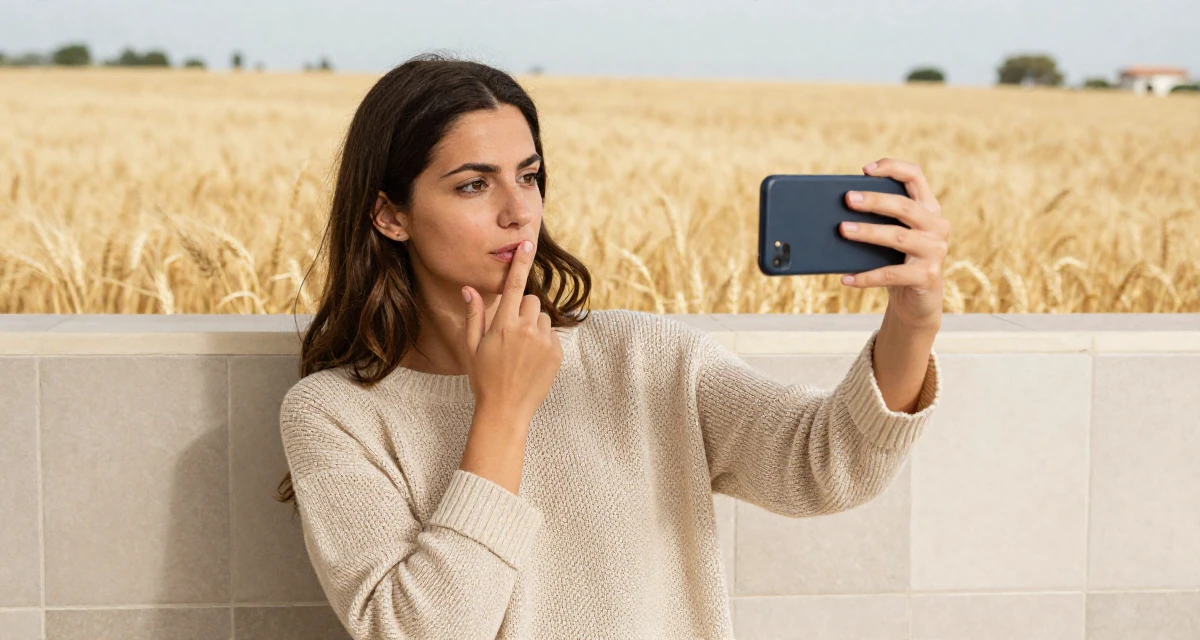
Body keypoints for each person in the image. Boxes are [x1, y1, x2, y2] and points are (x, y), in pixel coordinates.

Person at [276, 51, 949, 640]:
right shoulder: (335, 415)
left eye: (529, 174)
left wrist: (914, 319)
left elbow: (828, 466)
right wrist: (503, 411)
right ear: (391, 214)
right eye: (474, 184)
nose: (519, 209)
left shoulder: (645, 357)